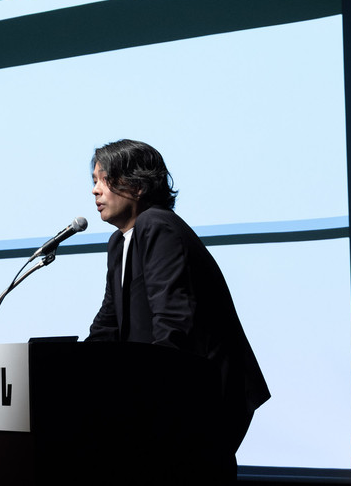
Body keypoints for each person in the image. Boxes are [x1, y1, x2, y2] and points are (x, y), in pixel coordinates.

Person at [85, 139, 270, 483]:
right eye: (93, 181)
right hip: (168, 397)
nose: (95, 190)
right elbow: (108, 323)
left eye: (104, 179)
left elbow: (173, 321)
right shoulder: (119, 242)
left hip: (199, 399)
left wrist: (149, 395)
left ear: (137, 186)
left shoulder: (157, 224)